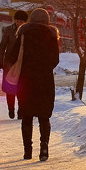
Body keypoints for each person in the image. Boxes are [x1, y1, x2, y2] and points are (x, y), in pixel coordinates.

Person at [5, 8, 62, 161]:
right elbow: (55, 59)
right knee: (44, 116)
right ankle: (44, 148)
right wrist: (44, 68)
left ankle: (27, 151)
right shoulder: (51, 35)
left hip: (26, 80)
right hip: (45, 81)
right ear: (47, 20)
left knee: (27, 116)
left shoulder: (23, 33)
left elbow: (12, 55)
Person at [0, 9, 29, 119]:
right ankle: (11, 109)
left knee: (22, 88)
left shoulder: (27, 31)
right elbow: (2, 46)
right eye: (17, 20)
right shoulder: (8, 30)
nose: (19, 23)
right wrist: (0, 60)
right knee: (9, 87)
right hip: (9, 63)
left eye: (21, 21)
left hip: (22, 63)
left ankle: (21, 110)